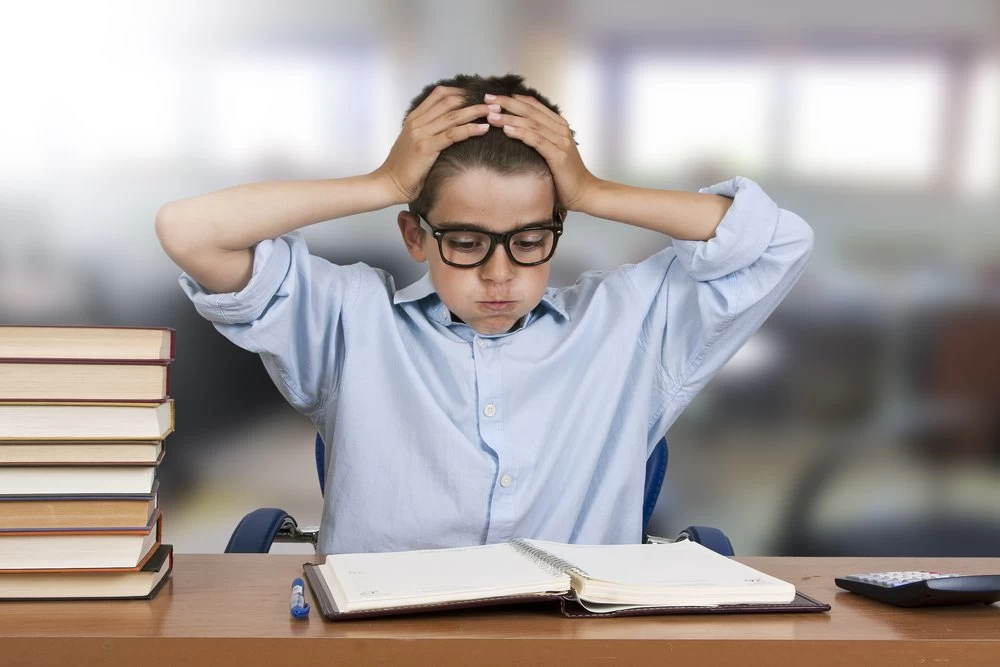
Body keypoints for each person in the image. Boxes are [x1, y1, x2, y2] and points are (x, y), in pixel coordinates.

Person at [156, 73, 814, 554]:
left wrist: (591, 190)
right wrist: (380, 183)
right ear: (415, 236)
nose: (499, 276)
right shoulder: (348, 320)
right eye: (466, 243)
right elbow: (189, 230)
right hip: (385, 647)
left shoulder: (627, 326)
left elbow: (781, 242)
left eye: (530, 243)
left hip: (573, 645)